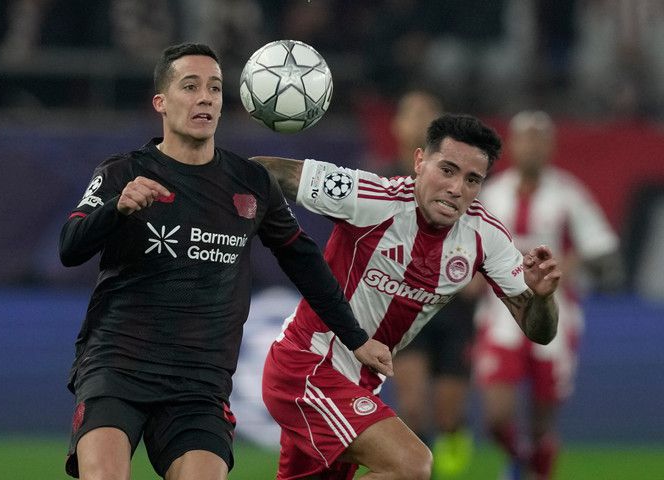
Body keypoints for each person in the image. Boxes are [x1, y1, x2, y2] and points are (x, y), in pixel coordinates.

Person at [58, 42, 392, 480]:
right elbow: (70, 247)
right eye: (190, 86)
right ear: (161, 102)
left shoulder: (252, 182)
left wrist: (355, 337)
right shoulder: (124, 172)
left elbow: (305, 262)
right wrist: (115, 209)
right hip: (118, 365)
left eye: (214, 88)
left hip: (200, 382)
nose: (205, 98)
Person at [253, 113, 562, 480]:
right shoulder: (371, 197)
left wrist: (542, 298)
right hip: (308, 367)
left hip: (359, 384)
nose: (456, 188)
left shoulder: (485, 237)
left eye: (472, 180)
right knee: (411, 465)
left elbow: (539, 330)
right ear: (419, 161)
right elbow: (263, 171)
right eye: (447, 170)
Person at [472, 110, 621, 480]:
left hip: (556, 314)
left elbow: (600, 245)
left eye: (540, 139)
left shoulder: (568, 193)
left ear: (551, 147)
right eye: (526, 138)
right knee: (497, 417)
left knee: (542, 423)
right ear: (513, 145)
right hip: (500, 314)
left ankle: (536, 468)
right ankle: (521, 459)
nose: (533, 147)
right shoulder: (492, 194)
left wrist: (570, 264)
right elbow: (468, 243)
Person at [383, 90, 478, 479]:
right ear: (397, 126)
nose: (421, 120)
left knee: (448, 414)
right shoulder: (380, 180)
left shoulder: (460, 182)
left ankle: (454, 436)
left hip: (453, 309)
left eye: (429, 114)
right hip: (405, 308)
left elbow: (482, 235)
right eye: (413, 113)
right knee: (413, 408)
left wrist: (477, 275)